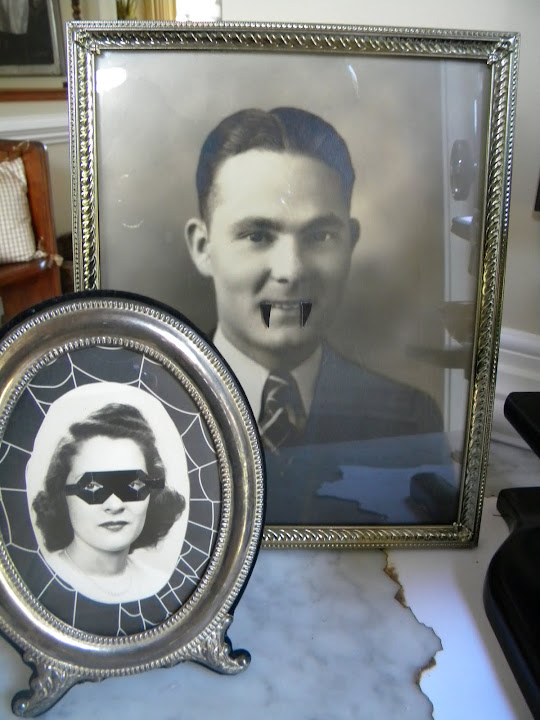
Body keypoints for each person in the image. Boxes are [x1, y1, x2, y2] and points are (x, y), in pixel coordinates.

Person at [185, 107, 457, 525]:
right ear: (203, 247)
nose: (291, 271)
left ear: (351, 243)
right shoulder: (152, 402)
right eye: (257, 235)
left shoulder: (409, 417)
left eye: (320, 235)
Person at [27, 384, 188, 603]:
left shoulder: (156, 582)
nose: (114, 505)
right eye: (92, 487)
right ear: (62, 495)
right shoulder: (38, 584)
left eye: (133, 485)